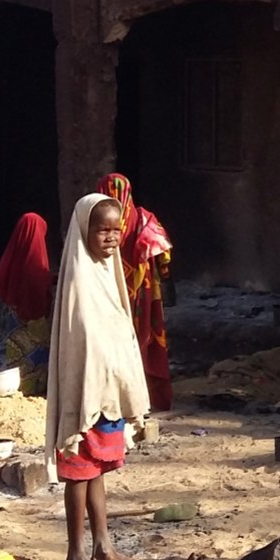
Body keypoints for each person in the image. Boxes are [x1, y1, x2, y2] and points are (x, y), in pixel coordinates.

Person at [46, 193, 152, 560]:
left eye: (115, 230)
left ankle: (103, 548)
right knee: (78, 471)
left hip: (108, 395)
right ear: (83, 231)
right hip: (86, 396)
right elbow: (84, 342)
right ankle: (75, 556)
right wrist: (97, 387)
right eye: (101, 230)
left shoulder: (109, 272)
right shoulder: (80, 279)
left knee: (97, 470)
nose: (110, 238)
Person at [96, 173, 174, 411]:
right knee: (141, 341)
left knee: (108, 345)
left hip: (106, 292)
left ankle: (111, 399)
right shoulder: (144, 219)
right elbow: (164, 256)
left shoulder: (96, 223)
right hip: (142, 296)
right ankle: (145, 397)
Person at [0, 213, 53, 396]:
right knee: (37, 354)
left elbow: (2, 281)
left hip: (15, 318)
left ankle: (19, 386)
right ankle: (37, 387)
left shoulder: (13, 256)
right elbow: (38, 288)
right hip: (34, 320)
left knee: (18, 355)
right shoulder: (37, 257)